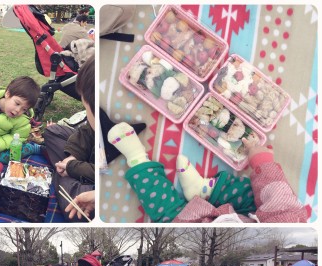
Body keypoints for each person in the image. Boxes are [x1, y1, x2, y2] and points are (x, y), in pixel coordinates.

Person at [107, 122, 308, 223]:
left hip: (195, 221)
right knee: (256, 192)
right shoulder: (292, 221)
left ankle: (136, 157)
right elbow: (280, 201)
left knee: (164, 212)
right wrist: (262, 162)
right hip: (244, 214)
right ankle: (204, 189)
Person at [43, 55, 95, 222]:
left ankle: (62, 174)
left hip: (97, 181)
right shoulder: (95, 123)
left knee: (76, 207)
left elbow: (104, 172)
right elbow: (87, 132)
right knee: (52, 132)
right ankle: (64, 169)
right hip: (87, 157)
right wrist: (73, 156)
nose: (86, 114)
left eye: (87, 109)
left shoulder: (119, 137)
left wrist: (72, 167)